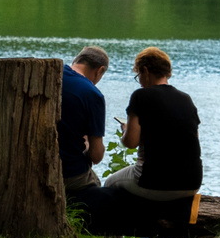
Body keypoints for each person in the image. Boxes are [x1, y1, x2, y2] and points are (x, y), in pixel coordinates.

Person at [103, 45, 202, 203]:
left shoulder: (140, 96)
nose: (140, 82)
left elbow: (130, 142)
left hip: (153, 182)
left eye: (138, 76)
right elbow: (193, 139)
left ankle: (118, 226)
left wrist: (125, 130)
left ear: (145, 71)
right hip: (192, 183)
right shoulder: (186, 99)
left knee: (109, 183)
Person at [58, 45, 109, 195]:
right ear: (99, 70)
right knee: (97, 184)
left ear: (76, 60)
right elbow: (96, 155)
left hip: (33, 160)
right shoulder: (92, 94)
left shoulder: (53, 73)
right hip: (67, 171)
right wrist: (86, 143)